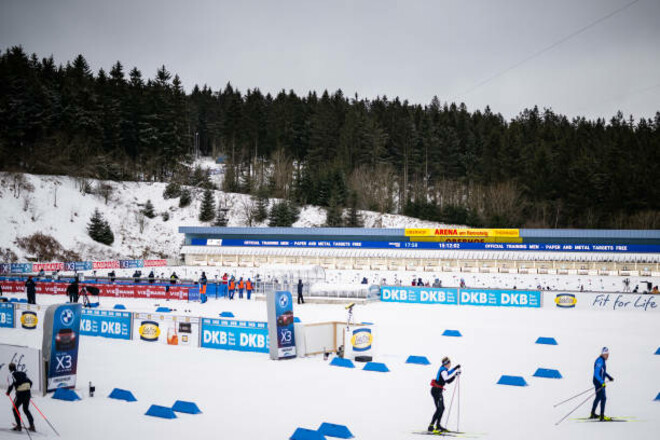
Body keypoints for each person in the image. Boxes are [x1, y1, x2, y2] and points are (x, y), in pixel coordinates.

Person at [428, 356, 461, 432]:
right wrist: (455, 375)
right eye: (449, 363)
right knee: (439, 409)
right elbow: (447, 381)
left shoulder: (444, 369)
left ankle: (438, 425)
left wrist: (455, 368)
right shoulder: (443, 371)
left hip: (438, 391)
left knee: (442, 408)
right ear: (446, 364)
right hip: (436, 391)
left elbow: (448, 373)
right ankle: (431, 426)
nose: (450, 365)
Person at [6, 362, 35, 432]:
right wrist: (27, 389)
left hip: (20, 393)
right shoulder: (23, 373)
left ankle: (19, 426)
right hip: (28, 392)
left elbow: (11, 385)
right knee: (26, 409)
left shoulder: (11, 374)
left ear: (9, 368)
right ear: (15, 367)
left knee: (15, 409)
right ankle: (32, 426)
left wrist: (8, 392)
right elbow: (30, 382)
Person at [590, 347, 614, 420]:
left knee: (598, 397)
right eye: (606, 354)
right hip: (598, 381)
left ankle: (593, 413)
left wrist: (609, 377)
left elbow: (602, 371)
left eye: (608, 354)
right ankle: (602, 416)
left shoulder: (602, 360)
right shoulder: (600, 361)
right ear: (603, 354)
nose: (608, 356)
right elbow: (596, 373)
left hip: (598, 381)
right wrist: (602, 382)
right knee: (603, 398)